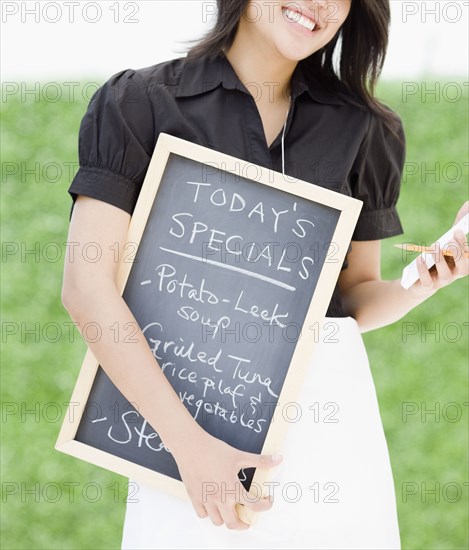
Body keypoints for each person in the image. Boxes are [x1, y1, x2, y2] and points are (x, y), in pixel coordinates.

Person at [62, 1, 468, 548]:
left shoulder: (365, 127)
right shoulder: (138, 104)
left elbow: (352, 300)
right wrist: (190, 446)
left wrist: (431, 274)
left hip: (331, 437)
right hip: (181, 438)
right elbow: (87, 290)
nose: (320, 6)